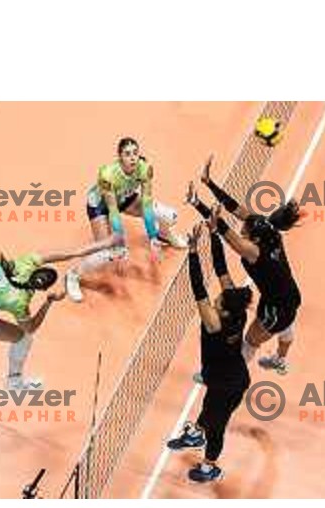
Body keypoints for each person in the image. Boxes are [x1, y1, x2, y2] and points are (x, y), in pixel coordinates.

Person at [0, 236, 121, 390]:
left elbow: (72, 252)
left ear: (37, 268)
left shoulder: (23, 263)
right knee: (23, 338)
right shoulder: (19, 301)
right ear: (42, 289)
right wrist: (48, 302)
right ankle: (15, 382)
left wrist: (105, 243)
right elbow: (31, 327)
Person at [186, 156, 302, 374]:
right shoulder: (265, 228)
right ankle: (280, 359)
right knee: (287, 320)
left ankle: (227, 375)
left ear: (254, 239)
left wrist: (197, 205)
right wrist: (209, 183)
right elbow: (234, 208)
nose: (242, 228)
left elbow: (224, 233)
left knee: (250, 339)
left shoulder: (254, 252)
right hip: (289, 294)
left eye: (245, 231)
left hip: (276, 305)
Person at [167, 222, 252, 483]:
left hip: (228, 384)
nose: (217, 297)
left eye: (219, 299)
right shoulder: (237, 313)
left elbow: (199, 290)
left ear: (222, 308)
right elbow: (221, 269)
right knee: (210, 411)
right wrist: (214, 235)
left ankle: (207, 463)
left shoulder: (214, 323)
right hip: (227, 378)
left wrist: (192, 253)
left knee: (216, 426)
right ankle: (198, 437)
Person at [65, 137, 187, 302]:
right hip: (101, 207)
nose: (132, 157)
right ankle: (73, 275)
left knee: (169, 215)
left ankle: (164, 235)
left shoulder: (145, 169)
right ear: (119, 157)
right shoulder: (107, 175)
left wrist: (152, 236)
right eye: (127, 154)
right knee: (109, 252)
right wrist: (119, 242)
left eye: (135, 153)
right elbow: (113, 210)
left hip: (126, 199)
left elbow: (146, 202)